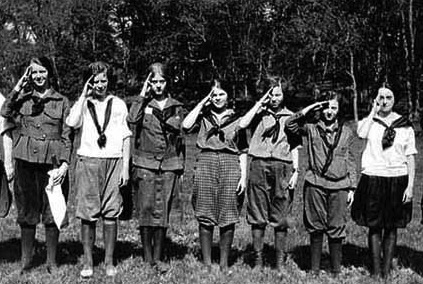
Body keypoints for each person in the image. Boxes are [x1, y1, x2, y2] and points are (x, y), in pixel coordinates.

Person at [0, 57, 72, 273]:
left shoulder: (62, 101)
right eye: (34, 73)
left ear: (49, 73)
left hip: (53, 163)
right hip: (25, 162)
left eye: (42, 72)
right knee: (27, 212)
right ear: (29, 76)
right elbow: (4, 112)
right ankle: (26, 261)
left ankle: (51, 261)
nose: (39, 77)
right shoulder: (22, 99)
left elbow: (68, 135)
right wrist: (18, 87)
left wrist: (66, 164)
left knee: (52, 211)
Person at [66, 61, 131, 278]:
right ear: (89, 82)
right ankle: (88, 261)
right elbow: (71, 122)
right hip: (89, 161)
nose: (100, 84)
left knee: (111, 211)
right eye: (96, 81)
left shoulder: (119, 104)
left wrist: (125, 168)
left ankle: (109, 260)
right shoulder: (84, 103)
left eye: (104, 80)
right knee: (88, 213)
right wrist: (83, 95)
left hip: (113, 161)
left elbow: (126, 136)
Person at [285, 91, 357, 276]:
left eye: (333, 107)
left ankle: (335, 270)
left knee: (337, 226)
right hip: (315, 183)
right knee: (315, 226)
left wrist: (352, 187)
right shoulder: (311, 128)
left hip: (340, 185)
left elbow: (350, 159)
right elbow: (290, 124)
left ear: (339, 110)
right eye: (326, 107)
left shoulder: (347, 132)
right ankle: (314, 269)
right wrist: (311, 107)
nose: (329, 111)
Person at [182, 79, 248, 272]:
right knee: (205, 211)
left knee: (228, 211)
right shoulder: (203, 116)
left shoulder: (238, 119)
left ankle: (224, 262)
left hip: (230, 164)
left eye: (221, 94)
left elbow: (242, 149)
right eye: (214, 94)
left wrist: (243, 176)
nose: (218, 98)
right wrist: (203, 102)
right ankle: (207, 262)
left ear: (229, 97)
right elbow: (186, 126)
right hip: (206, 162)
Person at [352, 86, 416, 278]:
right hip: (374, 177)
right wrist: (373, 110)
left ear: (394, 100)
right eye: (381, 97)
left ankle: (387, 271)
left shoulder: (404, 124)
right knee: (374, 225)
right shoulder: (370, 122)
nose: (385, 101)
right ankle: (376, 271)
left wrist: (410, 185)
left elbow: (411, 156)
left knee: (391, 226)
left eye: (389, 97)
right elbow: (360, 134)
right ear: (376, 99)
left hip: (397, 178)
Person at [127, 62, 185, 270]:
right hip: (145, 163)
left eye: (162, 81)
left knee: (162, 210)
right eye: (154, 82)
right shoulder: (143, 105)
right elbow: (131, 119)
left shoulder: (176, 106)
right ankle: (146, 256)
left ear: (167, 82)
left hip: (169, 164)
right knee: (146, 207)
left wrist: (181, 167)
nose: (158, 85)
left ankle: (158, 257)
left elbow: (182, 139)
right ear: (149, 83)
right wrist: (143, 94)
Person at [237, 77, 298, 270]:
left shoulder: (291, 116)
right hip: (259, 164)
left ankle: (279, 261)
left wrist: (296, 171)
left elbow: (296, 145)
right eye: (270, 94)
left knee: (281, 214)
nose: (274, 98)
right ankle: (258, 259)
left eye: (277, 94)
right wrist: (259, 103)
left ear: (284, 95)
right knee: (257, 212)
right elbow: (242, 124)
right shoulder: (257, 114)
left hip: (282, 166)